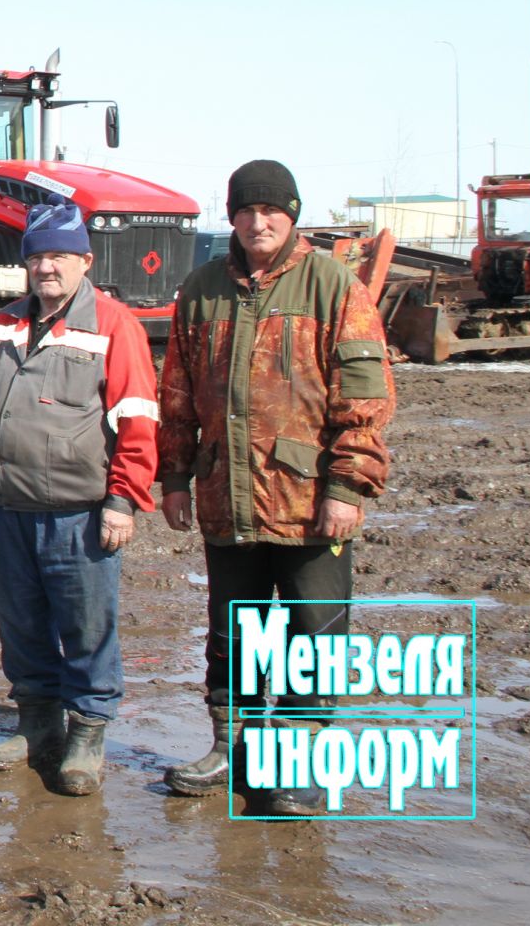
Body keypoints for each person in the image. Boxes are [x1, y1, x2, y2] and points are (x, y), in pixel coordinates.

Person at [157, 160, 394, 816]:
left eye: (271, 212)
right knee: (235, 630)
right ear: (230, 216)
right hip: (224, 494)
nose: (258, 223)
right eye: (245, 211)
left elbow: (364, 395)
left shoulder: (333, 285)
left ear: (291, 216)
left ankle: (295, 764)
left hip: (311, 501)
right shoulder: (202, 288)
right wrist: (174, 478)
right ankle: (229, 747)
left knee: (313, 634)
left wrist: (347, 486)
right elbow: (176, 391)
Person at [0, 200, 159, 794]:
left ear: (85, 262)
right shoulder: (5, 323)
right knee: (20, 622)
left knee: (87, 623)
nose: (48, 267)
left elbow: (138, 416)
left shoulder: (113, 324)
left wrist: (123, 499)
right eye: (38, 256)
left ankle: (87, 732)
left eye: (60, 256)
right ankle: (37, 721)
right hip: (6, 507)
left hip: (78, 511)